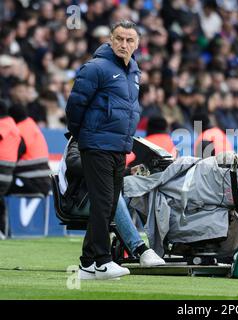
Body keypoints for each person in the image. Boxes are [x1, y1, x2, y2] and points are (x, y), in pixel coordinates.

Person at [65, 20, 142, 280]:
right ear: (111, 39)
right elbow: (75, 105)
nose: (124, 44)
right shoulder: (96, 67)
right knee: (103, 203)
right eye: (119, 38)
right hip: (96, 144)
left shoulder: (134, 71)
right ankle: (102, 260)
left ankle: (87, 264)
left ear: (137, 44)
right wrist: (82, 135)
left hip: (119, 147)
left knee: (108, 205)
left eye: (130, 40)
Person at [58, 135, 165, 280]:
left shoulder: (97, 139)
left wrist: (128, 172)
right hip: (77, 202)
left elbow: (106, 172)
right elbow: (74, 162)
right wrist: (102, 166)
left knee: (136, 191)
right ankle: (141, 250)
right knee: (110, 196)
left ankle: (157, 248)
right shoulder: (79, 139)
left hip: (91, 198)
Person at [7, 104, 51, 195]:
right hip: (44, 181)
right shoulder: (31, 125)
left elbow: (10, 158)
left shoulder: (18, 131)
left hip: (30, 181)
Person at [0, 100, 21, 237]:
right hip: (6, 174)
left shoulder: (5, 124)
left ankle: (3, 231)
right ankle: (4, 231)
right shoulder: (12, 125)